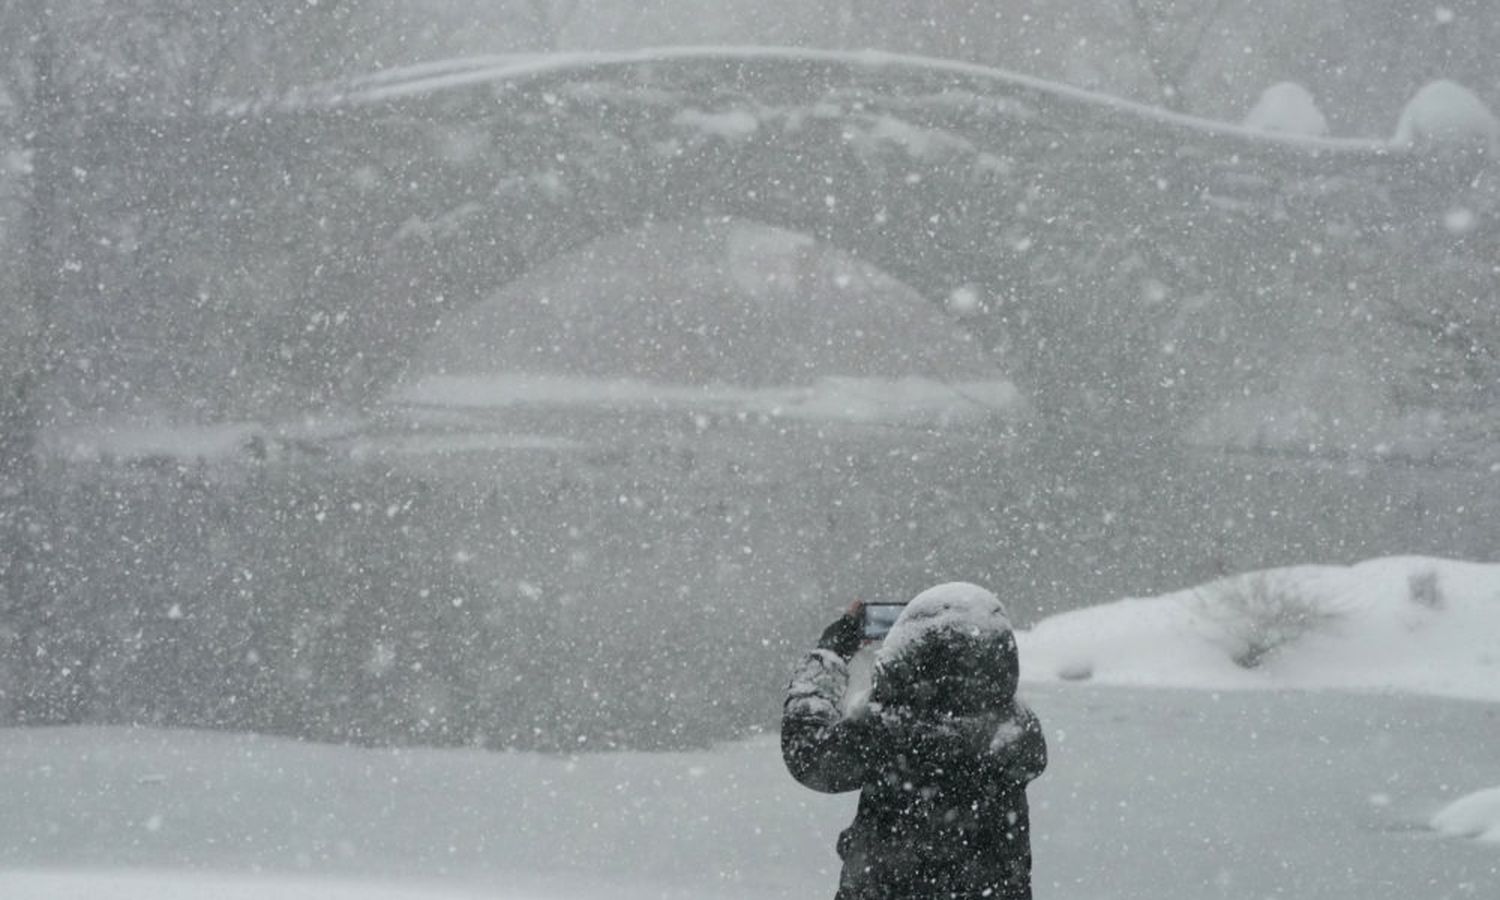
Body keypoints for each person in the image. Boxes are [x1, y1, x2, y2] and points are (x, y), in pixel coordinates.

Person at [782, 582, 1047, 900]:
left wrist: (832, 650)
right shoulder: (1016, 733)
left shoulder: (892, 732)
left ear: (908, 655)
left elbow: (807, 752)